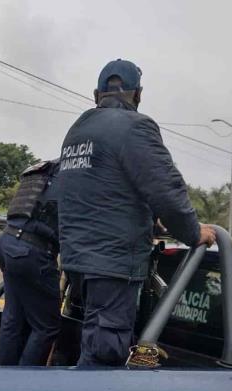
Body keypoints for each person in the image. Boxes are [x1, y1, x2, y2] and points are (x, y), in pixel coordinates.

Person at [58, 58, 216, 366]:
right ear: (138, 95)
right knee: (106, 353)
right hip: (112, 263)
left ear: (95, 94)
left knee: (92, 342)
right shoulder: (135, 127)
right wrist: (193, 232)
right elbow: (166, 190)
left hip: (79, 261)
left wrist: (149, 221)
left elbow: (102, 191)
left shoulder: (78, 129)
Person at [0, 159, 61, 365]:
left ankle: (5, 380)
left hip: (7, 243)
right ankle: (26, 384)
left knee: (13, 319)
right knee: (46, 326)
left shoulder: (46, 168)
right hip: (32, 252)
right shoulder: (72, 173)